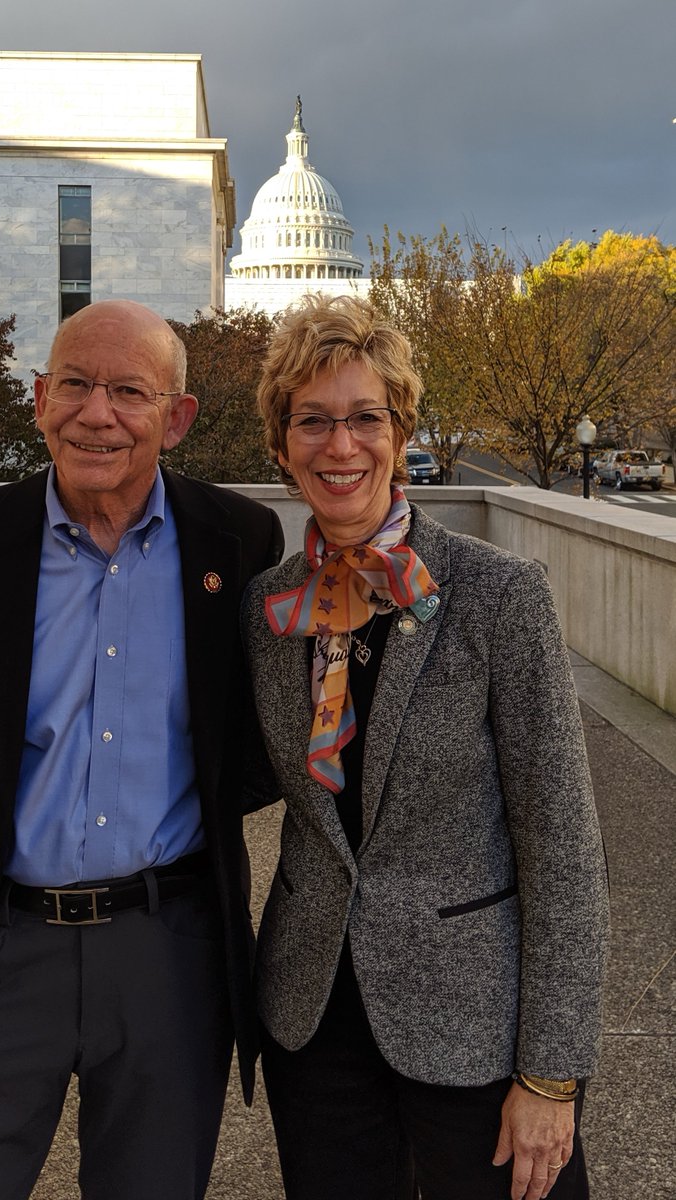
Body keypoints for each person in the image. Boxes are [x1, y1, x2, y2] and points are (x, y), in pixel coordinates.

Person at [0, 299, 284, 1200]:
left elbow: (254, 743)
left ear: (178, 416)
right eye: (75, 384)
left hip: (169, 955)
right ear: (40, 399)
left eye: (130, 391)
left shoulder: (240, 543)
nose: (98, 413)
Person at [242, 294, 609, 1200]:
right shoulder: (268, 610)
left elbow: (563, 849)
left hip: (474, 1029)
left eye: (366, 418)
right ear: (282, 446)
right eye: (313, 421)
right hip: (314, 1022)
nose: (341, 446)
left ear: (402, 430)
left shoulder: (497, 596)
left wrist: (552, 1074)